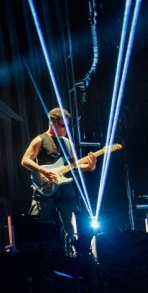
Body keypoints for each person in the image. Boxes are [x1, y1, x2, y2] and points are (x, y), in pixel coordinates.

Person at [21, 107, 97, 255]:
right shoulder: (40, 140)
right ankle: (39, 253)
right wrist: (43, 171)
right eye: (62, 125)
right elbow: (25, 160)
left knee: (72, 222)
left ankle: (74, 252)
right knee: (41, 220)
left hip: (65, 187)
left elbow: (74, 166)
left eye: (67, 125)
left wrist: (90, 166)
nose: (65, 129)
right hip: (45, 186)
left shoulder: (67, 143)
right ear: (52, 122)